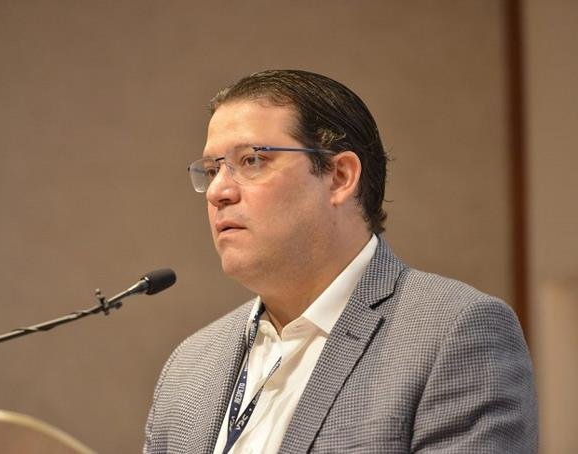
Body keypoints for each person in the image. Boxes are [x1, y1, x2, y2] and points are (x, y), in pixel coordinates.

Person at [144, 70, 537, 453]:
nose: (218, 191)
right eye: (212, 170)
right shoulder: (189, 364)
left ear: (339, 176)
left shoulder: (453, 333)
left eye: (251, 161)